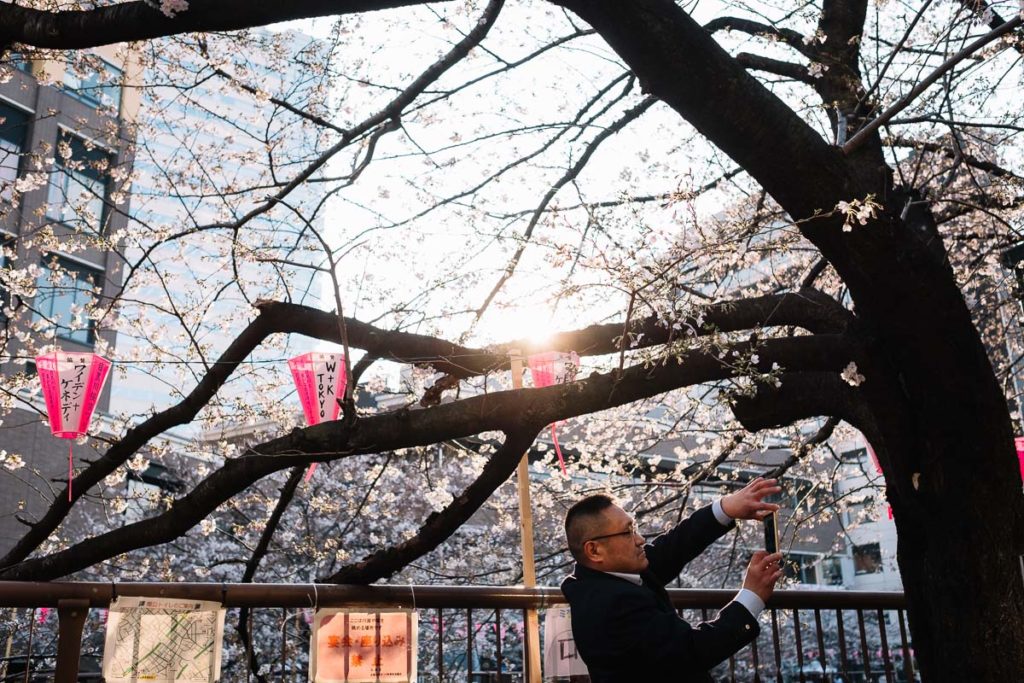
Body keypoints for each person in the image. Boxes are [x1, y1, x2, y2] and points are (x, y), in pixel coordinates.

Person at [560, 478, 784, 682]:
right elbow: (692, 650)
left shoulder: (608, 577)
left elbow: (673, 547)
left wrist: (726, 508)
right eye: (627, 532)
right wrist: (751, 596)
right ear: (594, 550)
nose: (639, 539)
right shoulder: (610, 604)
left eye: (634, 528)